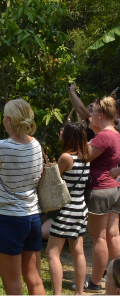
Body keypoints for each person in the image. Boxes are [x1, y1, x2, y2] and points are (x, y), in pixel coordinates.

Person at [0, 99, 45, 296]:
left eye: (4, 116)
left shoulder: (1, 148)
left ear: (9, 120)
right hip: (32, 218)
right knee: (34, 279)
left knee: (13, 286)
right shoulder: (36, 145)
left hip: (8, 220)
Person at [69, 84, 120, 292]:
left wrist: (72, 138)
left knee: (99, 237)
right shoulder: (116, 134)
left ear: (101, 114)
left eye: (93, 112)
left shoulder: (104, 136)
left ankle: (96, 282)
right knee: (113, 235)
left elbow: (83, 156)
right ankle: (116, 279)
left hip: (100, 190)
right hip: (115, 189)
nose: (90, 115)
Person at [45, 122, 91, 295]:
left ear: (70, 136)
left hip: (66, 210)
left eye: (64, 130)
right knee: (78, 252)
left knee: (52, 252)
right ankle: (79, 292)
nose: (61, 131)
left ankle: (57, 293)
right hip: (80, 208)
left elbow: (54, 179)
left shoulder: (66, 157)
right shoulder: (85, 158)